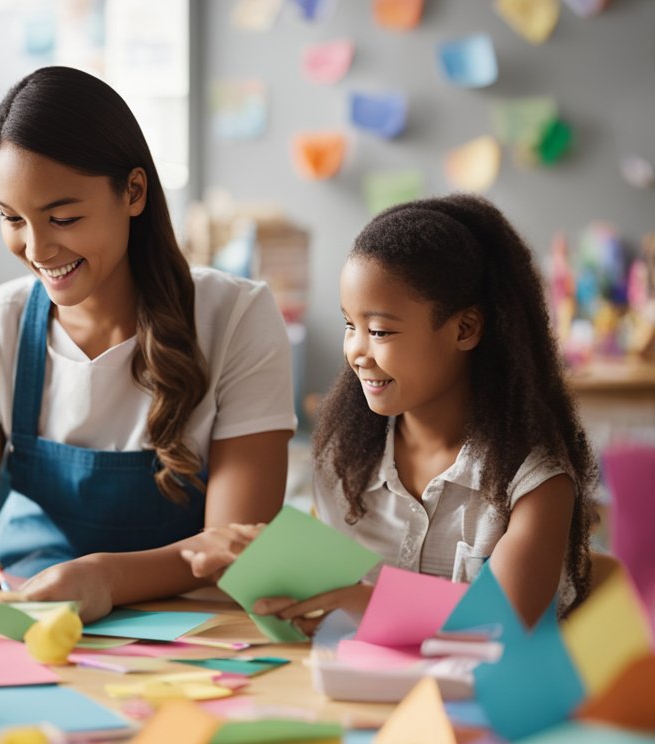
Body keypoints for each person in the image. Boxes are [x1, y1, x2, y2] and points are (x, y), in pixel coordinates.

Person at [0, 66, 297, 620]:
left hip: (192, 626)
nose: (37, 248)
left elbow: (233, 547)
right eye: (12, 219)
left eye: (62, 217)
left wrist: (107, 577)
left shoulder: (236, 318)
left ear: (133, 192)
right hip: (27, 619)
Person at [184, 194, 596, 631]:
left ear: (465, 328)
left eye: (380, 330)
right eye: (349, 325)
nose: (357, 352)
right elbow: (332, 612)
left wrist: (352, 599)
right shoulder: (344, 461)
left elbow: (503, 621)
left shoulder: (536, 482)